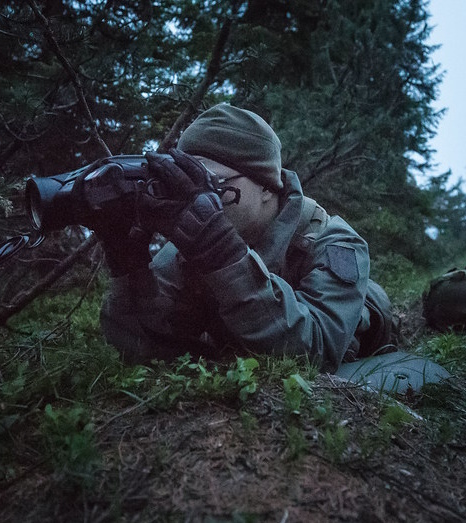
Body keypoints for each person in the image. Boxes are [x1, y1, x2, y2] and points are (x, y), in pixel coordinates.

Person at [99, 104, 392, 373]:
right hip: (243, 340)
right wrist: (130, 268)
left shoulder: (333, 243)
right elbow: (142, 347)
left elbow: (318, 351)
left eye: (214, 184)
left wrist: (220, 253)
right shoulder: (192, 244)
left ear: (267, 187)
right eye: (189, 184)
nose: (201, 200)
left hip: (358, 334)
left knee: (367, 309)